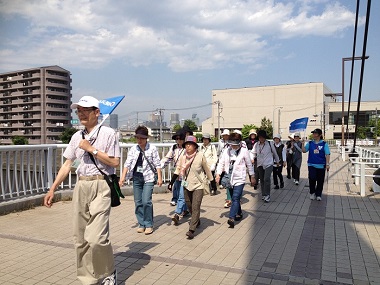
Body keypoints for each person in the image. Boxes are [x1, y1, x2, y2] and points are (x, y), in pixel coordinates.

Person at [43, 96, 120, 285]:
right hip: (81, 185)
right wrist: (52, 189)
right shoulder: (76, 136)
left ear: (96, 112)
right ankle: (88, 279)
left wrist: (91, 149)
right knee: (80, 238)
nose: (81, 113)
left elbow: (114, 162)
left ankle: (109, 271)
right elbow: (67, 164)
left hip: (101, 185)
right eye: (78, 110)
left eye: (86, 109)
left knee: (96, 238)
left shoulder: (109, 133)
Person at [119, 125, 163, 235]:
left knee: (146, 201)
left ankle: (149, 224)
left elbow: (157, 164)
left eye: (142, 138)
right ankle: (141, 223)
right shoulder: (134, 149)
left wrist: (160, 177)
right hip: (136, 177)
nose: (139, 140)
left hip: (148, 178)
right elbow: (127, 164)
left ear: (146, 138)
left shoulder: (152, 148)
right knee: (138, 202)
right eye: (138, 138)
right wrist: (122, 178)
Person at [168, 136, 214, 239]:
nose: (188, 146)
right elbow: (178, 170)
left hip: (198, 185)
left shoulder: (200, 155)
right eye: (186, 144)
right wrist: (171, 183)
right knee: (189, 205)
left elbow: (207, 170)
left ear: (194, 146)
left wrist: (213, 183)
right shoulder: (183, 157)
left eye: (190, 144)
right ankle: (196, 219)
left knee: (195, 206)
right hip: (186, 184)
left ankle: (191, 230)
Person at [216, 132, 255, 228]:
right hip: (229, 177)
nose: (233, 146)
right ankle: (239, 213)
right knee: (234, 197)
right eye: (231, 144)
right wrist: (218, 174)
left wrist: (252, 176)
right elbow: (221, 163)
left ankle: (231, 218)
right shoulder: (226, 151)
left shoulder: (244, 151)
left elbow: (249, 164)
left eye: (235, 145)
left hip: (240, 178)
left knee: (235, 198)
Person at [251, 130, 280, 203]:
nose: (261, 139)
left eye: (263, 137)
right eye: (260, 137)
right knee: (262, 179)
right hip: (260, 164)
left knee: (266, 178)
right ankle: (263, 194)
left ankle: (267, 195)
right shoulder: (256, 145)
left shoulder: (270, 144)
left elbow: (275, 153)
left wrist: (277, 161)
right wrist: (252, 158)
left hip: (269, 164)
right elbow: (253, 153)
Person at [302, 128, 331, 201]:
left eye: (315, 133)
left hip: (321, 165)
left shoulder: (324, 144)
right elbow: (304, 151)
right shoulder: (310, 143)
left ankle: (318, 194)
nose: (314, 135)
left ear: (320, 135)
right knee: (312, 178)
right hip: (311, 164)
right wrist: (302, 144)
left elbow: (327, 154)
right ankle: (312, 192)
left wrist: (327, 164)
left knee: (320, 180)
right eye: (313, 133)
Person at [161, 130, 186, 206]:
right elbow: (168, 158)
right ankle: (179, 203)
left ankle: (181, 209)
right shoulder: (174, 147)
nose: (178, 140)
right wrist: (159, 166)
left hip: (185, 174)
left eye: (180, 138)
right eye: (177, 139)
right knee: (176, 187)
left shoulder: (187, 147)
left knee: (183, 191)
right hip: (176, 173)